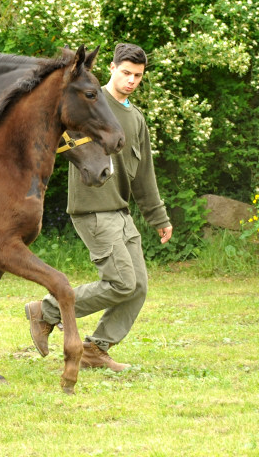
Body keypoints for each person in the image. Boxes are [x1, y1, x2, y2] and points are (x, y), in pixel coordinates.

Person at [25, 43, 173, 371]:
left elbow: (143, 174)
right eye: (126, 73)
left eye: (138, 76)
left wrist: (158, 216)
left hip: (121, 211)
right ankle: (46, 311)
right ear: (111, 68)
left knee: (137, 288)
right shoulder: (88, 102)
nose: (131, 80)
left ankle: (96, 348)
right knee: (121, 282)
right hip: (92, 209)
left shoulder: (135, 118)